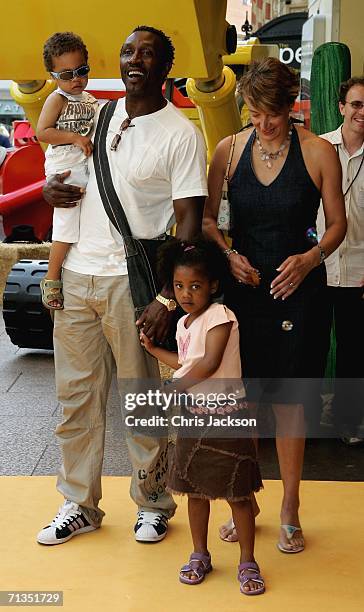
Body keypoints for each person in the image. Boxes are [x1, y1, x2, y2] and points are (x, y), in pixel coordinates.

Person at [37, 26, 208, 546]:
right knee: (76, 398)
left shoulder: (180, 133)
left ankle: (153, 502)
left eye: (148, 54)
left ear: (165, 69)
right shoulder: (99, 112)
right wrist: (49, 190)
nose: (135, 60)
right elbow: (64, 163)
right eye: (129, 50)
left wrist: (163, 297)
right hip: (76, 274)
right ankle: (79, 503)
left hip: (128, 281)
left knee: (142, 399)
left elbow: (189, 224)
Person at [203, 58, 347, 552]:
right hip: (244, 293)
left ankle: (290, 504)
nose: (264, 122)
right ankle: (246, 498)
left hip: (301, 292)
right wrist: (228, 256)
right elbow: (207, 222)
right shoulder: (228, 149)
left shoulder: (318, 151)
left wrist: (310, 259)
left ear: (292, 107)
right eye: (256, 111)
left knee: (290, 403)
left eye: (275, 112)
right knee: (243, 403)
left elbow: (336, 225)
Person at [140, 238, 264, 596]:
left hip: (227, 417)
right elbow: (187, 364)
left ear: (213, 285)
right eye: (179, 286)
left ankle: (247, 560)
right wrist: (154, 350)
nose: (186, 294)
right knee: (194, 492)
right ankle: (200, 553)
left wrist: (173, 390)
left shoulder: (221, 317)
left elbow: (209, 364)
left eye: (195, 286)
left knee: (238, 493)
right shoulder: (183, 325)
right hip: (195, 417)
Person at [317, 76, 364, 446]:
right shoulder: (319, 149)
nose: (361, 112)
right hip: (317, 264)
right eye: (356, 104)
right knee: (311, 346)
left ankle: (347, 420)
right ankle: (309, 420)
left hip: (359, 271)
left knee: (353, 350)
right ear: (341, 108)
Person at [36, 32, 98, 309]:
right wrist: (75, 138)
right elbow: (42, 132)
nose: (75, 79)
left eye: (81, 71)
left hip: (83, 161)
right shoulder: (57, 99)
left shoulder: (89, 99)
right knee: (66, 222)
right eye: (66, 74)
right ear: (52, 76)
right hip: (65, 165)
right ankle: (51, 279)